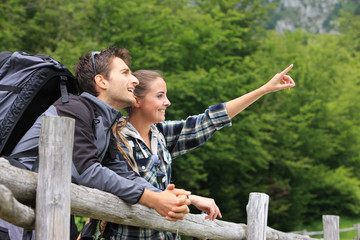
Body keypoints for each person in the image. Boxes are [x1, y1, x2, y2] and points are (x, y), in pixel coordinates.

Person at [0, 47, 191, 240]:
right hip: (15, 212)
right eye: (125, 73)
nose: (135, 80)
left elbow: (125, 174)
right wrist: (152, 198)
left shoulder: (104, 123)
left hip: (48, 209)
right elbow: (88, 172)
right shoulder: (74, 108)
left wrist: (165, 197)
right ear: (101, 81)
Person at [102, 65, 295, 239]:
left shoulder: (160, 133)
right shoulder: (116, 139)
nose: (167, 102)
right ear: (137, 100)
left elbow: (210, 120)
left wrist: (264, 89)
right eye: (160, 96)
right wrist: (190, 198)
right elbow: (134, 189)